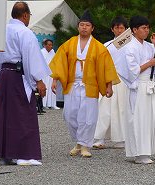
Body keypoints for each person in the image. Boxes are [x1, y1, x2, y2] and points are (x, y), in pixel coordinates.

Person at [49, 10, 119, 159]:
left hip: (90, 85)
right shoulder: (69, 44)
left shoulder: (99, 47)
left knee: (88, 117)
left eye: (87, 25)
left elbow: (107, 67)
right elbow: (59, 62)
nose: (84, 28)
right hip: (73, 84)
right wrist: (54, 80)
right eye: (82, 25)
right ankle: (79, 142)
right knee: (69, 115)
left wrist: (109, 86)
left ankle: (85, 145)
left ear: (92, 28)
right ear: (78, 27)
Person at [0, 2, 50, 166]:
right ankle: (24, 154)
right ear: (25, 15)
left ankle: (6, 154)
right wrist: (38, 80)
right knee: (23, 114)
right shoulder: (25, 32)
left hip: (3, 75)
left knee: (5, 115)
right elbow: (30, 57)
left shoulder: (0, 33)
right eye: (29, 16)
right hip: (17, 76)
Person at [118, 15, 155, 165]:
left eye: (147, 28)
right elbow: (131, 72)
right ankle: (139, 153)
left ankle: (147, 150)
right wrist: (148, 63)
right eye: (143, 28)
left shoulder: (149, 46)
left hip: (150, 86)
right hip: (138, 87)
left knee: (151, 119)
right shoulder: (129, 47)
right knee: (138, 119)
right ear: (134, 30)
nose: (146, 31)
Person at [93, 16, 130, 150]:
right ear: (112, 29)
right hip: (109, 80)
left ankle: (120, 139)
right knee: (104, 109)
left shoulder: (132, 45)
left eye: (122, 28)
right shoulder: (106, 46)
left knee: (122, 110)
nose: (119, 31)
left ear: (126, 29)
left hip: (125, 81)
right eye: (117, 28)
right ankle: (99, 138)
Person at [40, 39, 58, 110]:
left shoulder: (53, 52)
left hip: (51, 73)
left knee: (52, 88)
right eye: (49, 45)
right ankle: (43, 104)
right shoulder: (41, 52)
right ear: (45, 45)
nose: (51, 46)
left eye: (51, 45)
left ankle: (52, 104)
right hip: (44, 73)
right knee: (45, 88)